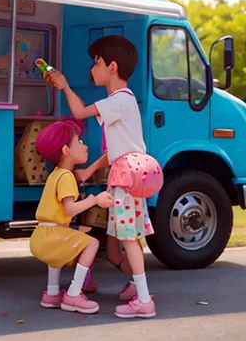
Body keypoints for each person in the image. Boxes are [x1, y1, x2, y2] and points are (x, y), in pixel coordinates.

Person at [45, 35, 162, 319]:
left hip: (125, 182)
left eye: (95, 63)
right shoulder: (125, 101)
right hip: (128, 178)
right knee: (116, 246)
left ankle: (144, 299)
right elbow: (117, 151)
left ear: (111, 66)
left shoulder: (116, 100)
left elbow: (80, 112)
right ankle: (137, 287)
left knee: (129, 241)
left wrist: (64, 86)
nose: (91, 69)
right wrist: (89, 170)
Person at [29, 119, 115, 314]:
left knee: (59, 250)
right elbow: (70, 209)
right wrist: (95, 200)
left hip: (42, 235)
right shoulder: (66, 176)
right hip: (51, 233)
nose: (84, 146)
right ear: (67, 150)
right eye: (80, 142)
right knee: (91, 243)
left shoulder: (56, 174)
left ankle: (52, 293)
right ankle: (74, 294)